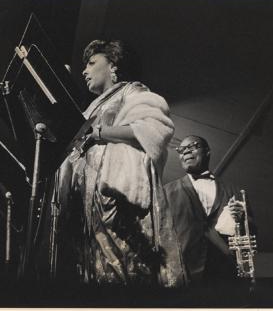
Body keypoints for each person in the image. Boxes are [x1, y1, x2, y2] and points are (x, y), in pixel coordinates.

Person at [58, 40, 186, 287]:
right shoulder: (89, 108)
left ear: (113, 65)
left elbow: (153, 127)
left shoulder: (131, 91)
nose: (84, 71)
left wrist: (99, 134)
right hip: (87, 205)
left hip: (115, 198)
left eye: (92, 63)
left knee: (123, 267)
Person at [164, 135, 255, 284]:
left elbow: (252, 231)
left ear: (207, 152)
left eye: (192, 146)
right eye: (181, 150)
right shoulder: (166, 192)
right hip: (184, 273)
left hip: (225, 271)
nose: (185, 152)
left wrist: (242, 218)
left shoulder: (234, 190)